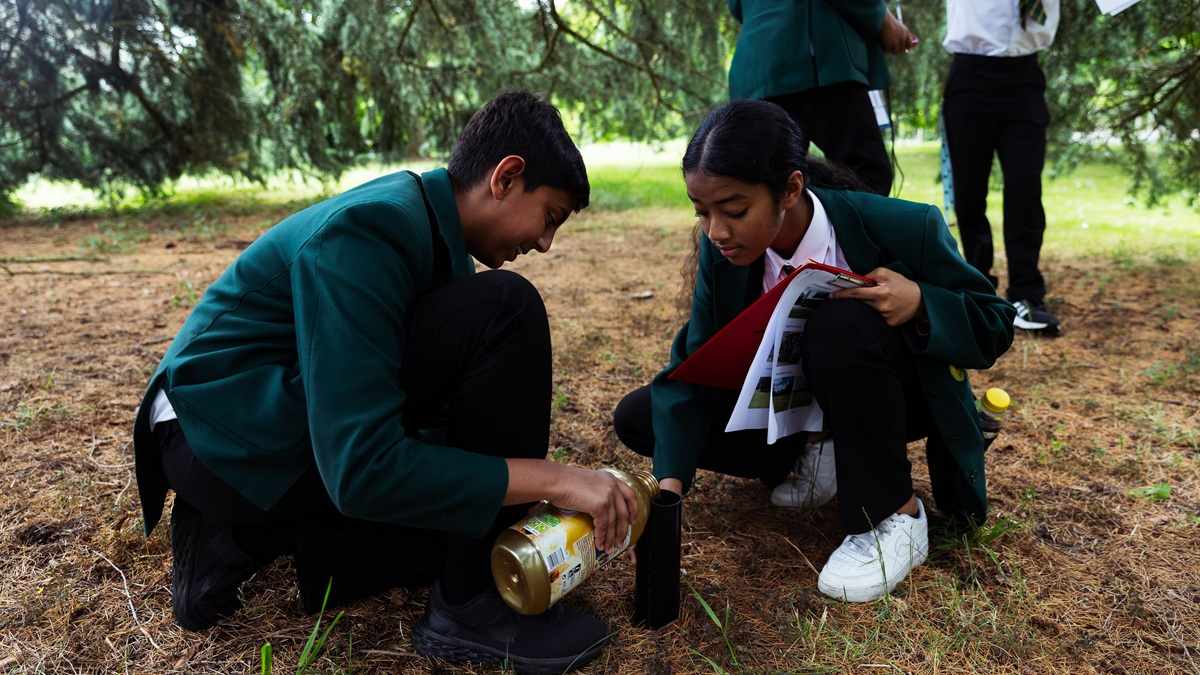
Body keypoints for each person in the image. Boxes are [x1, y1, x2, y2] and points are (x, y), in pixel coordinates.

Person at [131, 92, 633, 672]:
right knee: (506, 311)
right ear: (507, 176)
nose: (545, 244)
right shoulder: (370, 232)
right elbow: (363, 469)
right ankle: (470, 606)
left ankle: (238, 538)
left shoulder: (430, 233)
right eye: (549, 218)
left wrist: (510, 491)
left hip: (270, 423)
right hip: (215, 434)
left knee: (445, 520)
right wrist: (554, 479)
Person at [613, 100, 1014, 602]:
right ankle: (815, 453)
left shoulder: (905, 226)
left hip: (893, 397)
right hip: (789, 407)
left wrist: (919, 303)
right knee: (640, 416)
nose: (715, 231)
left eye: (734, 210)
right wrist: (667, 493)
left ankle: (894, 515)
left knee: (838, 322)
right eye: (702, 212)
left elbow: (995, 323)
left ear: (791, 189)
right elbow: (693, 370)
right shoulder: (723, 254)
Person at [942, 0, 1062, 334]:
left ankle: (1026, 294)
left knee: (1025, 191)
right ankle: (979, 292)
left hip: (1025, 77)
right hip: (969, 75)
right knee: (969, 195)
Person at [725, 0, 919, 196]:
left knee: (771, 183)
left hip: (755, 70)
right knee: (866, 176)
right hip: (817, 61)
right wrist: (882, 18)